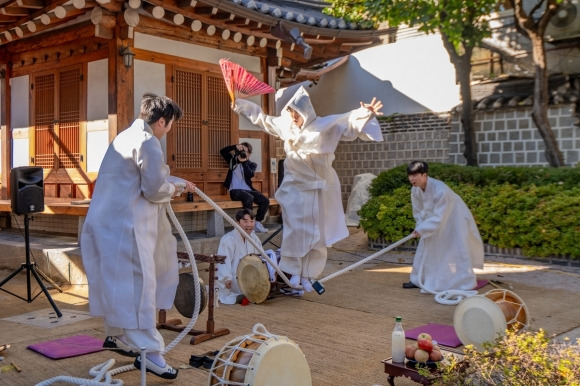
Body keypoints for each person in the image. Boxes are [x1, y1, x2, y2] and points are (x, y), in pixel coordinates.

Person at [81, 92, 196, 380]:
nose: (168, 131)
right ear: (161, 121)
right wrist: (175, 188)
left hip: (109, 225)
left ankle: (120, 336)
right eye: (169, 125)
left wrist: (176, 182)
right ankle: (151, 354)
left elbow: (140, 177)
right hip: (128, 228)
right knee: (139, 287)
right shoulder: (148, 142)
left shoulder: (124, 137)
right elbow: (154, 189)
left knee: (120, 286)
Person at [232, 86, 383, 292]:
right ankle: (293, 272)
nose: (293, 118)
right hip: (294, 189)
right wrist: (240, 103)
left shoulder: (322, 126)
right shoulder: (286, 127)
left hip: (317, 190)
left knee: (316, 234)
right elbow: (263, 119)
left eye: (296, 114)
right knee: (294, 231)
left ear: (305, 112)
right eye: (291, 113)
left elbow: (345, 121)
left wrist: (364, 113)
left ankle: (308, 274)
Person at [403, 160, 484, 292]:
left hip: (454, 217)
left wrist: (423, 228)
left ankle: (464, 282)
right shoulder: (415, 190)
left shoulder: (441, 190)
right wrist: (421, 226)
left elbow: (440, 216)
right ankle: (418, 279)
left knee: (455, 247)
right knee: (426, 245)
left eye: (415, 175)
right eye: (410, 175)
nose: (412, 178)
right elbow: (418, 211)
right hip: (432, 220)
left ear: (424, 175)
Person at [216, 208, 277, 304]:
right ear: (237, 223)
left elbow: (260, 258)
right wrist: (227, 279)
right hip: (235, 278)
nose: (249, 225)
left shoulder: (254, 238)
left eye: (252, 221)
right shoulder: (227, 239)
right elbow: (223, 262)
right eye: (245, 221)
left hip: (252, 275)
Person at [220, 142, 269, 233]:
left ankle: (257, 223)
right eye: (242, 150)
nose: (243, 153)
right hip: (235, 190)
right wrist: (235, 147)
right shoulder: (232, 160)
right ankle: (248, 225)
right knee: (248, 197)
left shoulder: (252, 164)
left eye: (246, 152)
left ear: (249, 154)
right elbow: (222, 151)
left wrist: (245, 162)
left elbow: (250, 174)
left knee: (265, 200)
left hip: (248, 189)